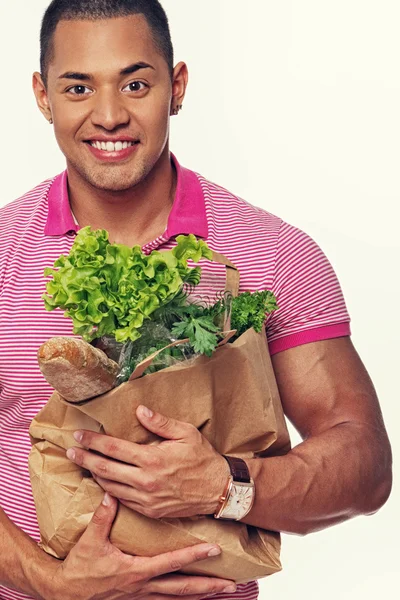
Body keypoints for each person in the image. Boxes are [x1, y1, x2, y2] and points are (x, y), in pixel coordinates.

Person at [0, 1, 392, 599]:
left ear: (176, 87)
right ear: (43, 96)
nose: (109, 115)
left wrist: (225, 485)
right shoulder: (6, 251)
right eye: (78, 87)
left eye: (135, 83)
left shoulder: (272, 255)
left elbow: (364, 467)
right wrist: (51, 582)